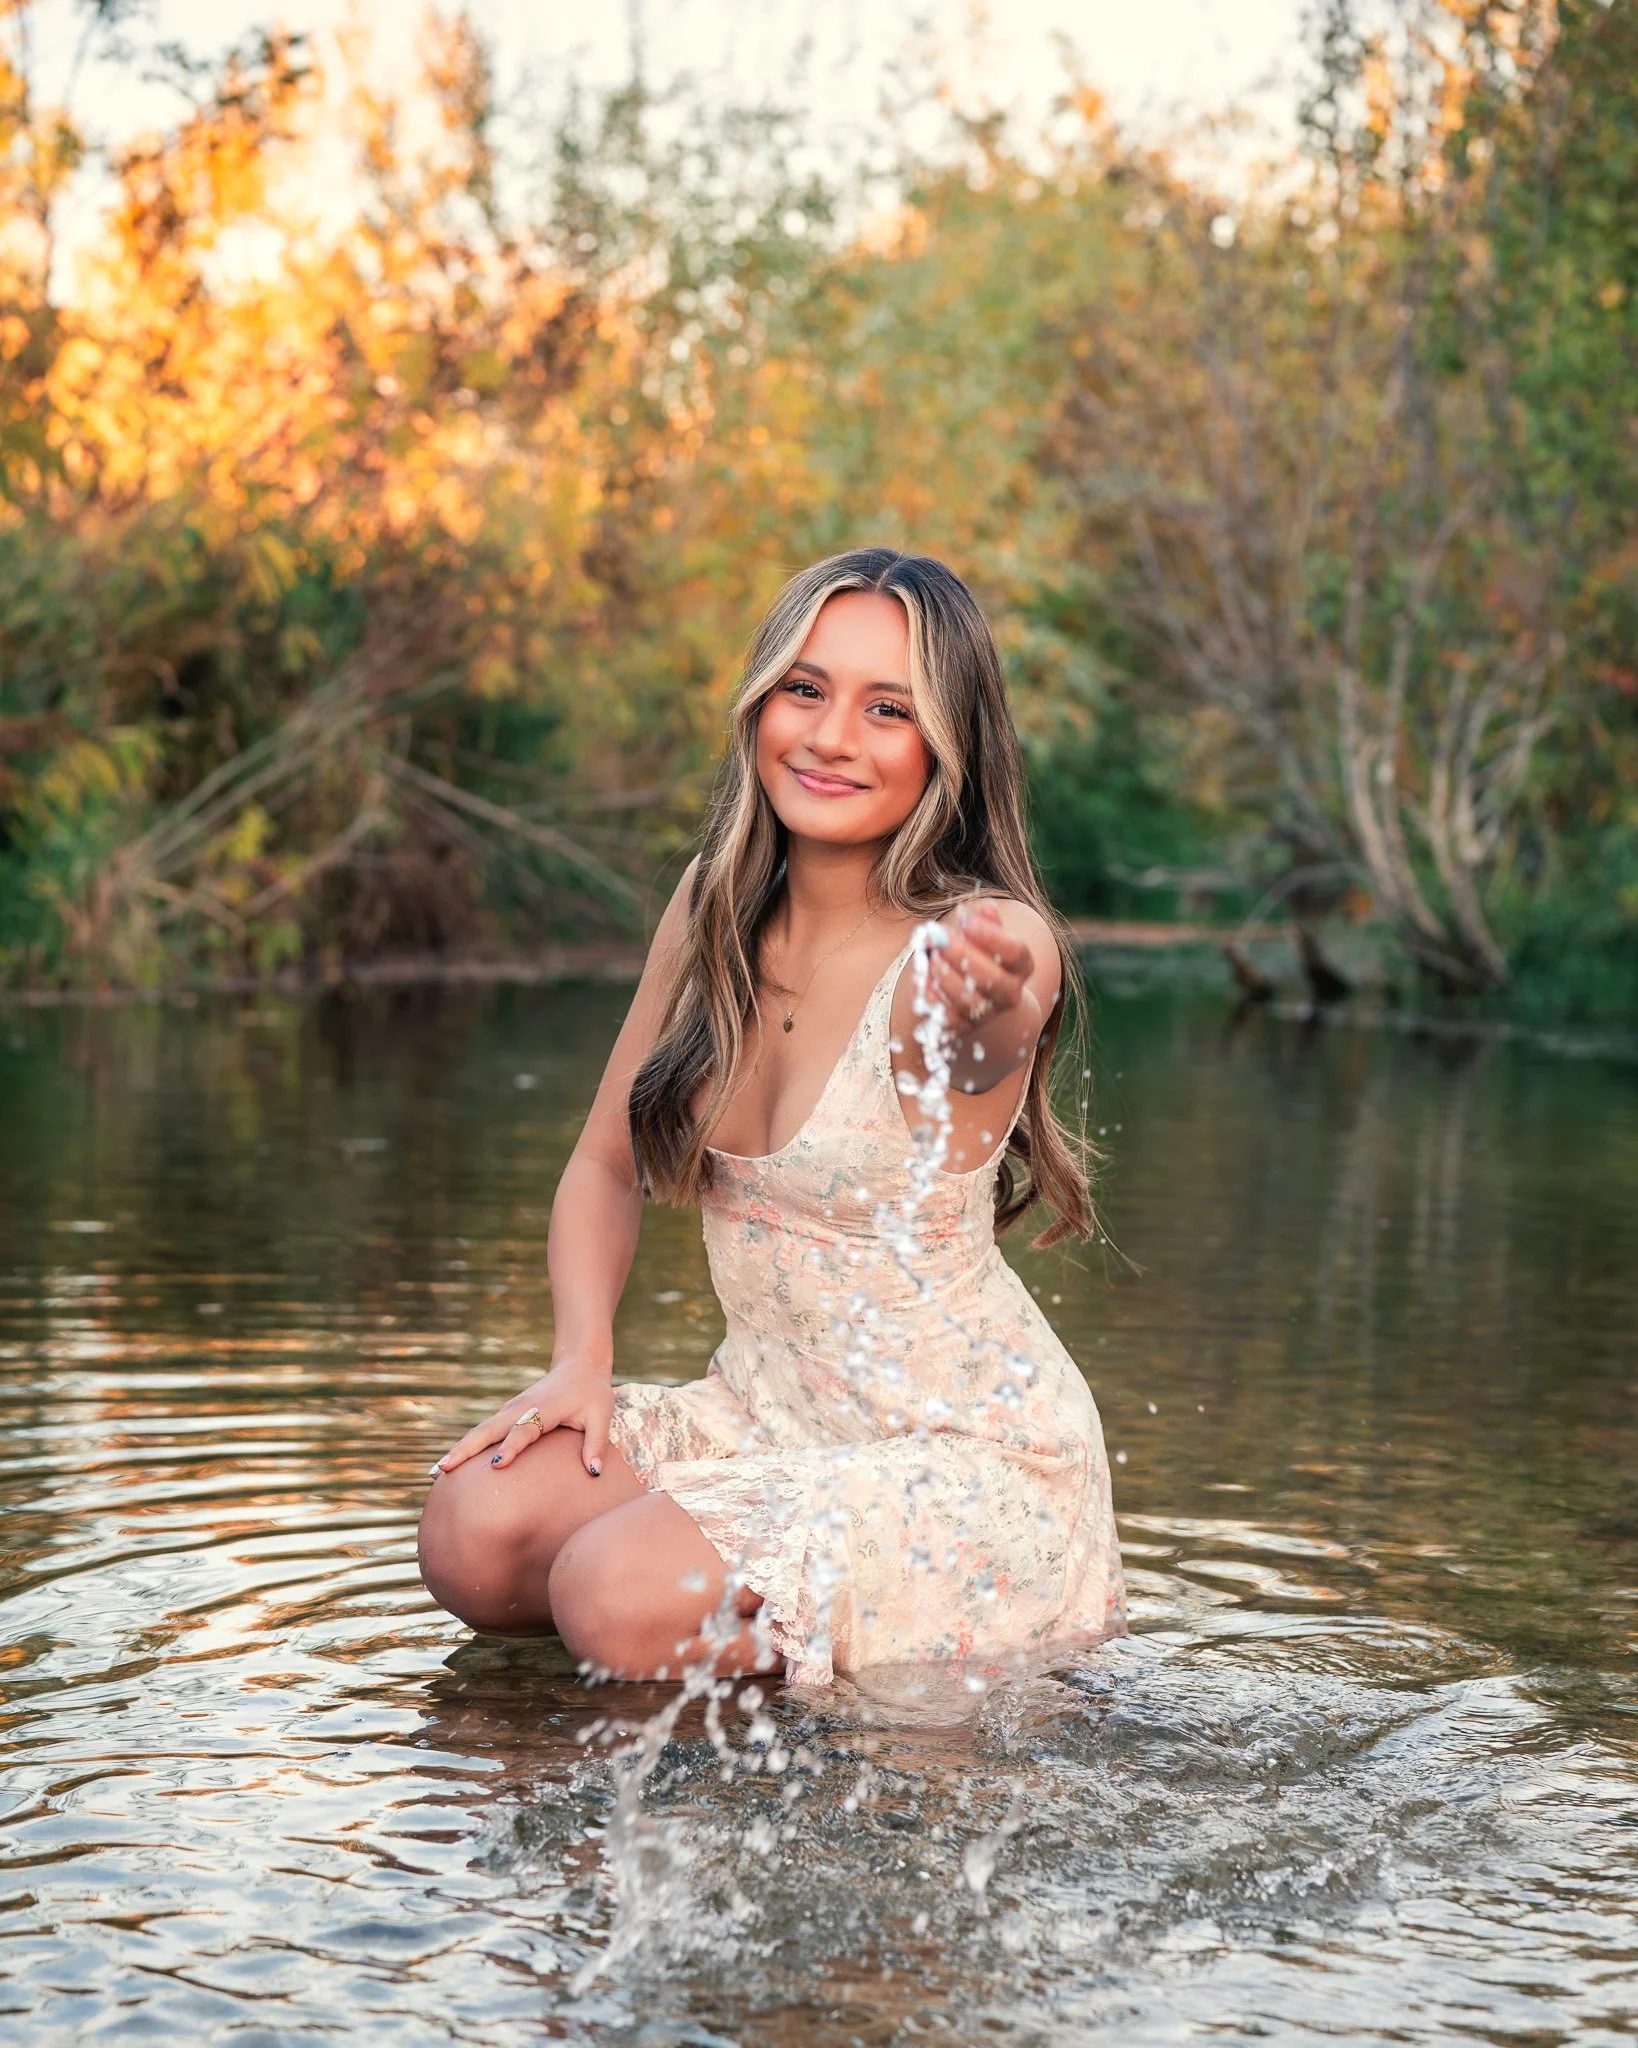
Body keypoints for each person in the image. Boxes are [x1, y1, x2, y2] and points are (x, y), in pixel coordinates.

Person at [417, 547, 1126, 1686]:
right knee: (475, 1526)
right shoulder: (710, 906)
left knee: (610, 1591)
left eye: (888, 708)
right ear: (760, 702)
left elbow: (1002, 1002)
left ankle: (837, 1749)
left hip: (964, 1465)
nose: (833, 735)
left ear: (949, 748)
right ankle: (764, 1703)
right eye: (808, 688)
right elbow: (604, 1164)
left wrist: (992, 999)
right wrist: (578, 1362)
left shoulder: (971, 944)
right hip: (768, 1416)